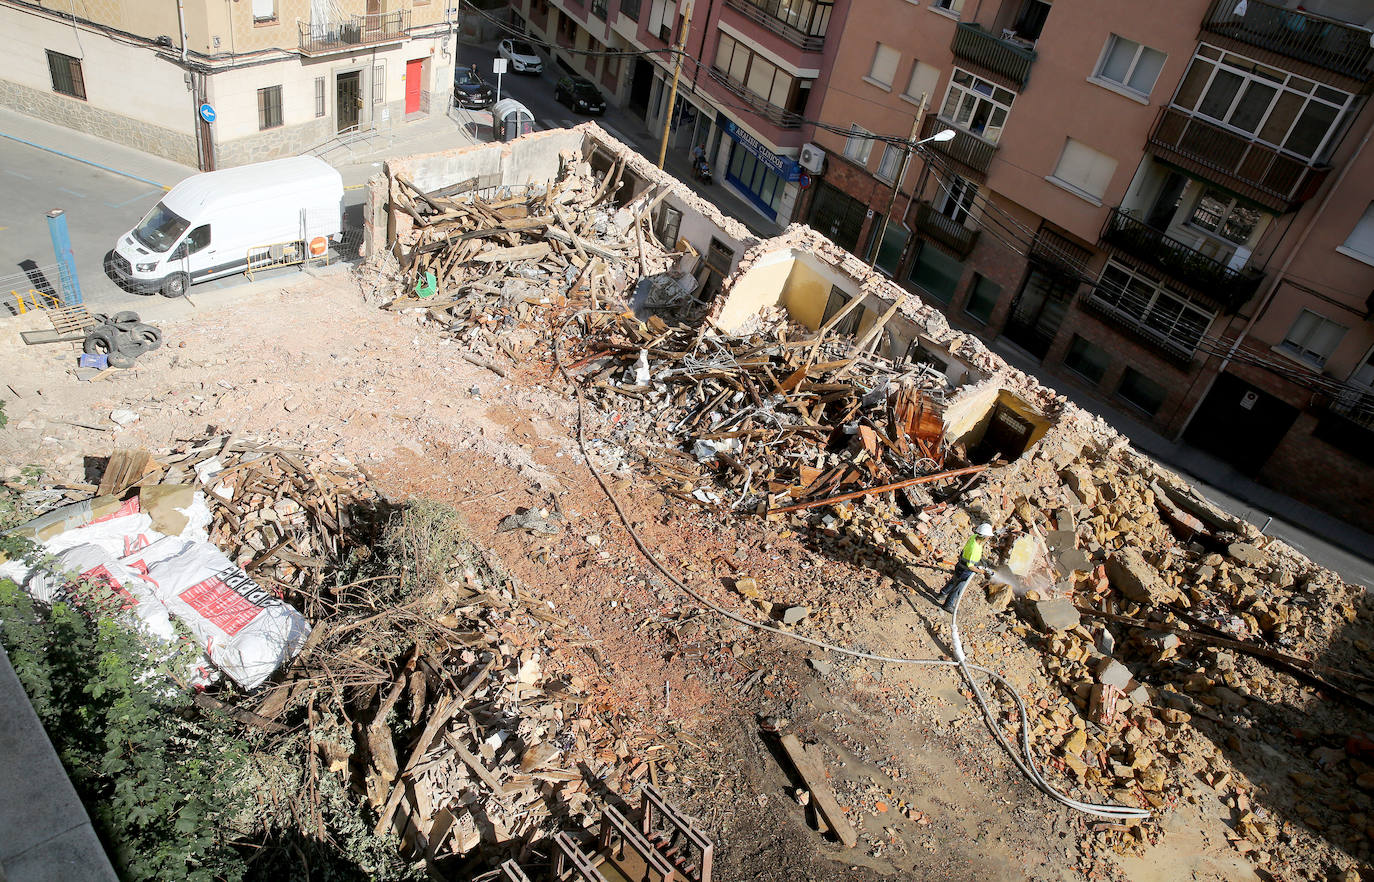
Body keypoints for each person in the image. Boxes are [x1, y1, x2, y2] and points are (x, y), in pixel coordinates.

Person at [935, 522, 993, 613]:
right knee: (958, 588)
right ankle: (948, 605)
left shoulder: (974, 538)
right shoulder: (974, 548)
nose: (989, 538)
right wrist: (980, 571)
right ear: (985, 537)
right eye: (988, 536)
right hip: (965, 570)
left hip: (960, 565)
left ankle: (941, 594)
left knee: (954, 580)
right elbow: (970, 566)